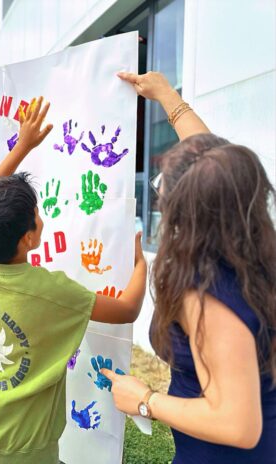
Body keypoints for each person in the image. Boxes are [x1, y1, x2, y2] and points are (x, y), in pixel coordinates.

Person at [0, 97, 147, 464]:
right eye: (37, 214)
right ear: (28, 238)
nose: (41, 217)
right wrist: (141, 264)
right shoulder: (51, 291)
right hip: (29, 445)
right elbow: (127, 309)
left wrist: (23, 146)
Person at [103, 72, 276, 463]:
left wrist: (145, 400)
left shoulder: (206, 290)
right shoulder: (251, 244)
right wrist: (167, 96)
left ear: (188, 214)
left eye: (163, 195)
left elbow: (238, 425)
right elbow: (214, 168)